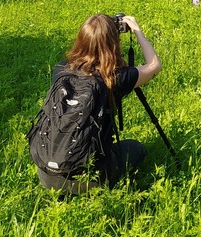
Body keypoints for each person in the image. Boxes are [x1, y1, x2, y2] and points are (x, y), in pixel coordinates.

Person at [37, 14, 162, 195]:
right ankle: (100, 186)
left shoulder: (61, 69)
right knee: (136, 148)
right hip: (90, 180)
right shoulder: (116, 78)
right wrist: (136, 30)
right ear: (114, 42)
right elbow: (155, 65)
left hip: (47, 176)